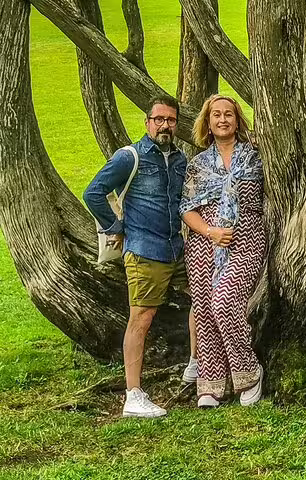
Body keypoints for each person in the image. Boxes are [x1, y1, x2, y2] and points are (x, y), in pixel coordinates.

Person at [83, 96, 187, 418]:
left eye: (170, 120)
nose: (165, 125)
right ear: (147, 123)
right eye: (159, 119)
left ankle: (199, 368)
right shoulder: (131, 157)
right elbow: (93, 193)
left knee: (204, 301)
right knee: (141, 317)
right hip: (144, 250)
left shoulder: (180, 159)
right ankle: (133, 394)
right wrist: (116, 226)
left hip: (177, 249)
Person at [180, 94, 266, 408]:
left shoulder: (254, 156)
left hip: (246, 241)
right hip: (205, 244)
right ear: (208, 121)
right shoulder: (199, 164)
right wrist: (210, 231)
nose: (222, 120)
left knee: (225, 304)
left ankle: (249, 372)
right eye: (216, 115)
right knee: (203, 311)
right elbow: (187, 209)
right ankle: (211, 384)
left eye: (228, 114)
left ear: (237, 119)